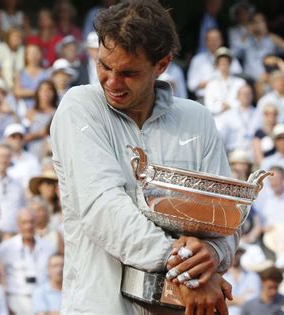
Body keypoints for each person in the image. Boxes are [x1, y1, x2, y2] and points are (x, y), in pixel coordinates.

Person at [50, 1, 236, 314]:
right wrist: (189, 270)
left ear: (162, 64)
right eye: (104, 66)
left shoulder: (198, 118)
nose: (111, 81)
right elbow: (102, 209)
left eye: (128, 73)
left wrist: (214, 253)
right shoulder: (79, 106)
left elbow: (226, 218)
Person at [0, 209, 56, 315]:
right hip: (16, 297)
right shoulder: (5, 248)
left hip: (43, 298)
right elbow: (1, 276)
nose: (28, 226)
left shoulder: (48, 248)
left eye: (31, 222)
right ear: (18, 224)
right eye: (24, 222)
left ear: (36, 223)